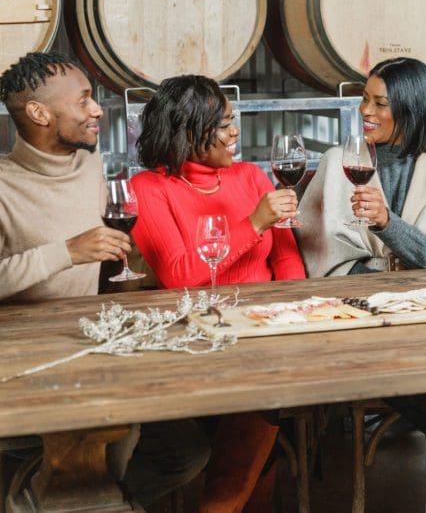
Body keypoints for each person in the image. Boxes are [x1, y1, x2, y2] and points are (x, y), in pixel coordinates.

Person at [0, 52, 209, 508]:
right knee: (108, 433)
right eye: (83, 101)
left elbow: (108, 262)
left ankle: (77, 502)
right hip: (28, 362)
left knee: (187, 448)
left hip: (92, 345)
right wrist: (65, 253)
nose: (98, 110)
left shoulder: (87, 163)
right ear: (40, 113)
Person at [297, 57, 426, 513]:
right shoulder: (338, 162)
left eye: (380, 103)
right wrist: (396, 272)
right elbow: (325, 259)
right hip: (354, 318)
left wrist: (386, 224)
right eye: (364, 98)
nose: (365, 111)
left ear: (413, 111)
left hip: (424, 318)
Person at [131, 74, 306, 511]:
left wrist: (297, 319)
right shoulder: (149, 189)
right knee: (258, 408)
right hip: (196, 338)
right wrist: (254, 224)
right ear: (189, 131)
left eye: (234, 120)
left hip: (264, 334)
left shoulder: (249, 177)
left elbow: (286, 261)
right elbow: (178, 275)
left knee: (265, 397)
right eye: (224, 124)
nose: (236, 132)